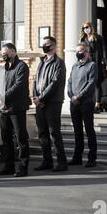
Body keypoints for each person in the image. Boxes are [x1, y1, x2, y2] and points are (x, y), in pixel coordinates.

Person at [0, 43, 31, 177]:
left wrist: (3, 98)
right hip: (4, 109)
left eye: (6, 52)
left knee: (21, 138)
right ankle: (8, 166)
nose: (4, 55)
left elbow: (18, 86)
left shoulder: (22, 66)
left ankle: (23, 167)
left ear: (14, 52)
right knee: (5, 139)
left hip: (17, 108)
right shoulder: (3, 68)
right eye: (2, 53)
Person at [32, 37, 68, 172]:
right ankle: (47, 161)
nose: (43, 46)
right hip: (39, 102)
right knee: (42, 133)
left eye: (46, 44)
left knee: (54, 132)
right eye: (43, 44)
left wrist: (41, 97)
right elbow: (36, 80)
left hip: (52, 102)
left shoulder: (59, 63)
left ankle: (61, 162)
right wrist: (35, 96)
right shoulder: (42, 62)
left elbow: (55, 82)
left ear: (53, 46)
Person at [67, 43, 98, 168]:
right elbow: (69, 82)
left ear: (86, 52)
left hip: (86, 102)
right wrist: (71, 95)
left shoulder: (92, 65)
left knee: (89, 130)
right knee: (77, 131)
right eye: (77, 51)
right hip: (74, 103)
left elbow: (91, 84)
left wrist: (78, 96)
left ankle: (92, 158)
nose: (78, 53)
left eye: (80, 51)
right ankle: (77, 157)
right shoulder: (74, 66)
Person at [79, 22, 107, 113]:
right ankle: (90, 102)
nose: (85, 29)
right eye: (84, 28)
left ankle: (97, 104)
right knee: (88, 83)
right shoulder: (83, 39)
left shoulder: (98, 37)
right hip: (87, 62)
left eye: (87, 27)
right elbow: (80, 51)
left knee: (97, 83)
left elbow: (103, 51)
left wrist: (106, 63)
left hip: (96, 62)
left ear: (91, 27)